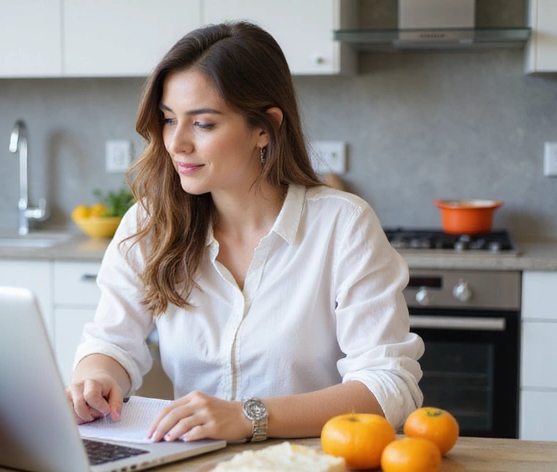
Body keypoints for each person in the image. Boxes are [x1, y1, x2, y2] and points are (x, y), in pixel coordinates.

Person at [66, 21, 423, 444]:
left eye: (203, 124)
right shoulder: (149, 226)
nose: (175, 143)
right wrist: (95, 377)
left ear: (264, 128)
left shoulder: (343, 226)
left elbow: (389, 387)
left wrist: (250, 417)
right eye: (167, 119)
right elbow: (111, 343)